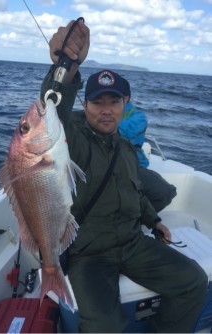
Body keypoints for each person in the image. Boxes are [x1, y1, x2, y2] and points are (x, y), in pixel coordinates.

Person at [40, 19, 208, 333]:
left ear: (124, 105)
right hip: (89, 254)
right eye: (97, 102)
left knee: (193, 281)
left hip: (133, 243)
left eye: (114, 101)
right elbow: (52, 111)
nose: (106, 110)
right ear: (85, 104)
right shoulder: (71, 139)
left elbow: (135, 193)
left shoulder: (127, 149)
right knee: (104, 324)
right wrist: (67, 66)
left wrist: (153, 221)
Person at [119, 101, 177, 212]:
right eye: (97, 102)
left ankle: (135, 219)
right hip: (105, 164)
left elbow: (130, 130)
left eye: (114, 100)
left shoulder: (139, 116)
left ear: (126, 98)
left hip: (134, 164)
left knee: (166, 191)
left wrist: (107, 121)